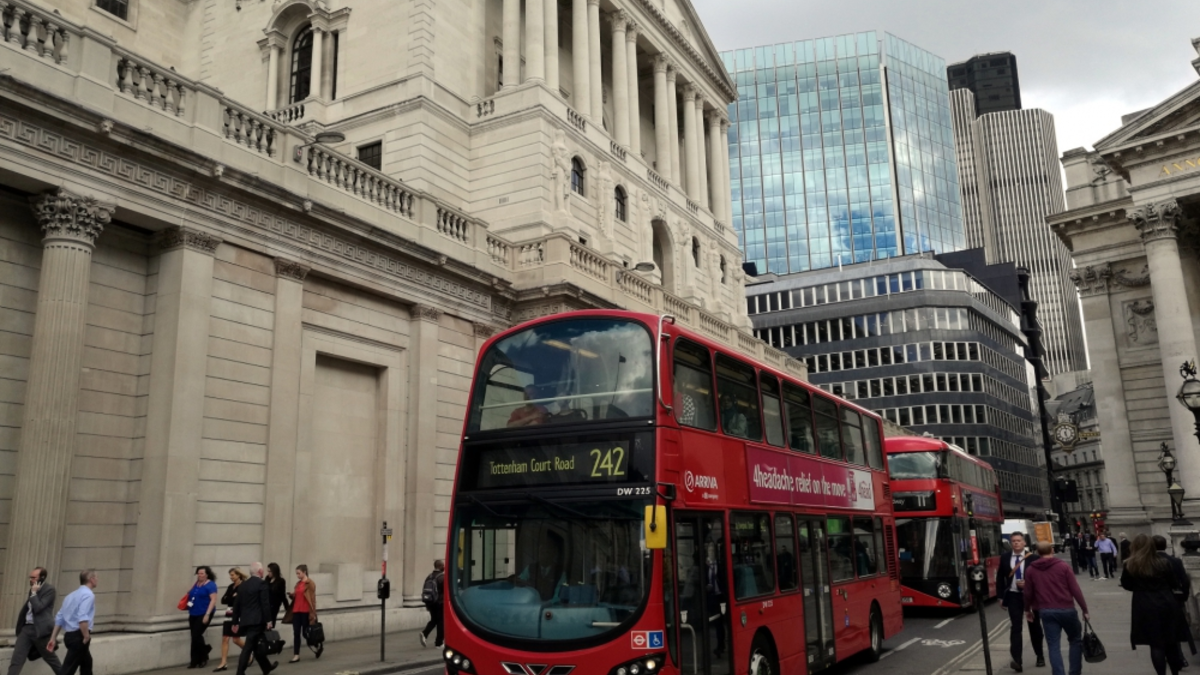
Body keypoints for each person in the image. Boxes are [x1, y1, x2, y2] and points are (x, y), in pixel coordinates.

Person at [1121, 534, 1189, 675]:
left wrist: (1141, 588)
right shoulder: (1163, 563)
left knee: (1156, 644)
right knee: (1171, 641)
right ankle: (1175, 673)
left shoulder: (1130, 564)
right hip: (1166, 601)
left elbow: (1126, 584)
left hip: (1144, 604)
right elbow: (1174, 583)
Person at [1024, 541, 1090, 675]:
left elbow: (1028, 592)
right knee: (1075, 640)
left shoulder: (1031, 570)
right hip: (1067, 610)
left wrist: (1027, 610)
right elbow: (1075, 590)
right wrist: (1084, 609)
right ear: (1052, 550)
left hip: (1046, 611)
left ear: (1037, 553)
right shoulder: (1063, 567)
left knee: (1053, 646)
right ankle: (1075, 672)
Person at [997, 532, 1045, 672]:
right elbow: (1000, 578)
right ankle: (1017, 660)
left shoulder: (1034, 558)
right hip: (1013, 597)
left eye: (1018, 541)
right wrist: (1000, 597)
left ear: (1024, 543)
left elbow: (1040, 579)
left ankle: (1040, 655)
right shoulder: (1005, 557)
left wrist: (1028, 584)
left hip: (1030, 596)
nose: (1016, 543)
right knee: (1015, 627)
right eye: (1013, 541)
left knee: (1034, 626)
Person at [9, 567, 62, 675]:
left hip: (40, 631)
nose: (31, 580)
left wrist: (33, 593)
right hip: (26, 629)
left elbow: (38, 607)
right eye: (30, 577)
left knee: (51, 659)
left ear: (42, 578)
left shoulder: (49, 590)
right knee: (17, 659)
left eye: (34, 577)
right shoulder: (33, 589)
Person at [1155, 535, 1195, 666]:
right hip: (1174, 600)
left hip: (1154, 602)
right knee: (1175, 629)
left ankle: (1167, 655)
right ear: (1166, 546)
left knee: (1158, 632)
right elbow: (1184, 581)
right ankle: (1179, 656)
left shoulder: (1147, 562)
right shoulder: (1175, 561)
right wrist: (1183, 597)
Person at [47, 570, 97, 675]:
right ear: (91, 580)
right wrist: (86, 636)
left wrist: (53, 638)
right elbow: (82, 617)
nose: (97, 580)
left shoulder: (70, 596)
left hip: (69, 636)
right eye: (96, 578)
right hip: (79, 636)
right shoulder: (88, 595)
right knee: (68, 669)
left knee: (87, 663)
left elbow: (59, 618)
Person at [230, 563, 277, 675]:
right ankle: (240, 672)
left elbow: (236, 605)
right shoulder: (262, 584)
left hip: (246, 621)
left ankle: (266, 667)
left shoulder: (243, 585)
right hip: (257, 621)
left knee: (256, 645)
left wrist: (235, 622)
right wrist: (269, 621)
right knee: (248, 647)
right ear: (260, 571)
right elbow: (265, 604)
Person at [213, 568, 247, 672]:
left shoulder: (243, 586)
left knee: (236, 639)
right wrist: (232, 597)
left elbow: (241, 600)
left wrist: (231, 598)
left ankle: (249, 652)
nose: (231, 577)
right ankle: (223, 662)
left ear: (238, 575)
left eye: (232, 575)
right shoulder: (231, 587)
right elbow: (224, 600)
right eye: (230, 575)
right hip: (228, 614)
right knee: (225, 638)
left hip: (238, 614)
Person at [186, 566, 218, 669]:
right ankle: (194, 661)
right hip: (193, 612)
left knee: (196, 634)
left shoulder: (211, 585)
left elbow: (213, 600)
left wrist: (207, 614)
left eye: (202, 574)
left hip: (204, 613)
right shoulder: (197, 584)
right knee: (194, 637)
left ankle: (204, 655)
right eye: (198, 573)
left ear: (207, 574)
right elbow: (189, 592)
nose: (199, 575)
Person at [287, 565, 320, 662]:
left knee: (306, 634)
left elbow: (312, 599)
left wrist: (313, 613)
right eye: (296, 573)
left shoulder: (310, 583)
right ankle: (296, 655)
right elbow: (298, 596)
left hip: (305, 612)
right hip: (296, 611)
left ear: (304, 572)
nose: (297, 575)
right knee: (296, 633)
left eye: (299, 573)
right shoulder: (298, 584)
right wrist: (292, 594)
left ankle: (316, 645)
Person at [420, 560, 445, 648]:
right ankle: (439, 643)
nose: (444, 567)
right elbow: (446, 590)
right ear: (440, 566)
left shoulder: (429, 576)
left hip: (430, 602)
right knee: (441, 622)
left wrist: (427, 604)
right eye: (443, 565)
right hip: (440, 603)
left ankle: (424, 633)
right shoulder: (441, 577)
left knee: (434, 620)